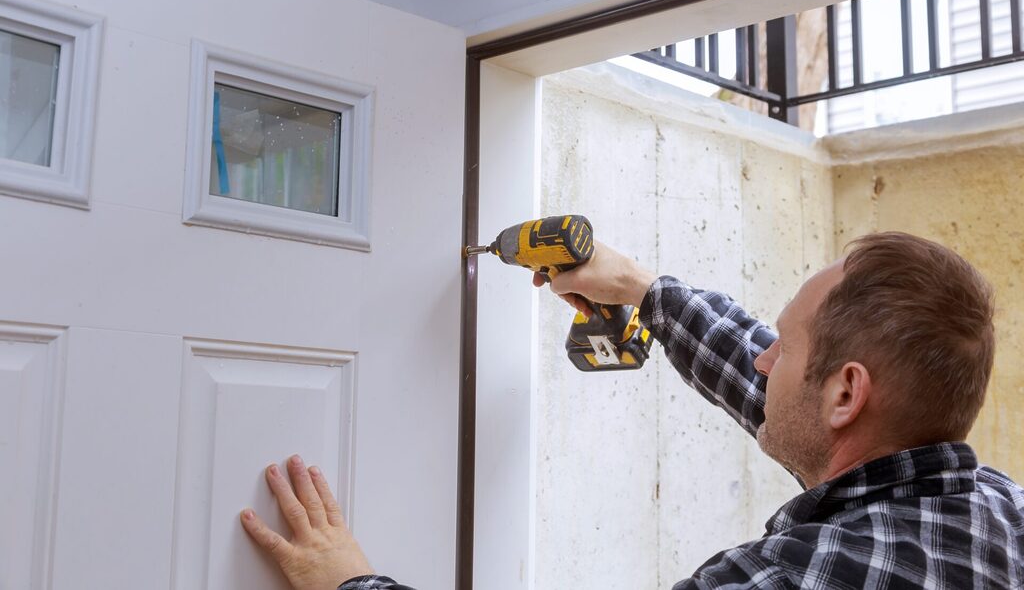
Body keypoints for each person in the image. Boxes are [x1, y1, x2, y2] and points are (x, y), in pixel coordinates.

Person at [242, 231, 1024, 589]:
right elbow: (788, 400)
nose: (761, 359)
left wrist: (348, 584)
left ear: (848, 391)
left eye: (779, 343)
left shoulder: (801, 578)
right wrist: (643, 290)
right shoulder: (1000, 508)